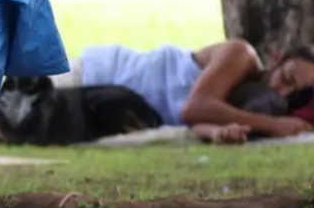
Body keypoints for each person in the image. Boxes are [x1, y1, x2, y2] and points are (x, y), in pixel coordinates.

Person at [54, 41, 314, 143]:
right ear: (277, 57)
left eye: (293, 93)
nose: (280, 90)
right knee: (17, 106)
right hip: (100, 73)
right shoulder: (242, 56)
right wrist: (275, 125)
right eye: (286, 77)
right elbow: (194, 108)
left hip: (108, 107)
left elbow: (198, 122)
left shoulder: (248, 105)